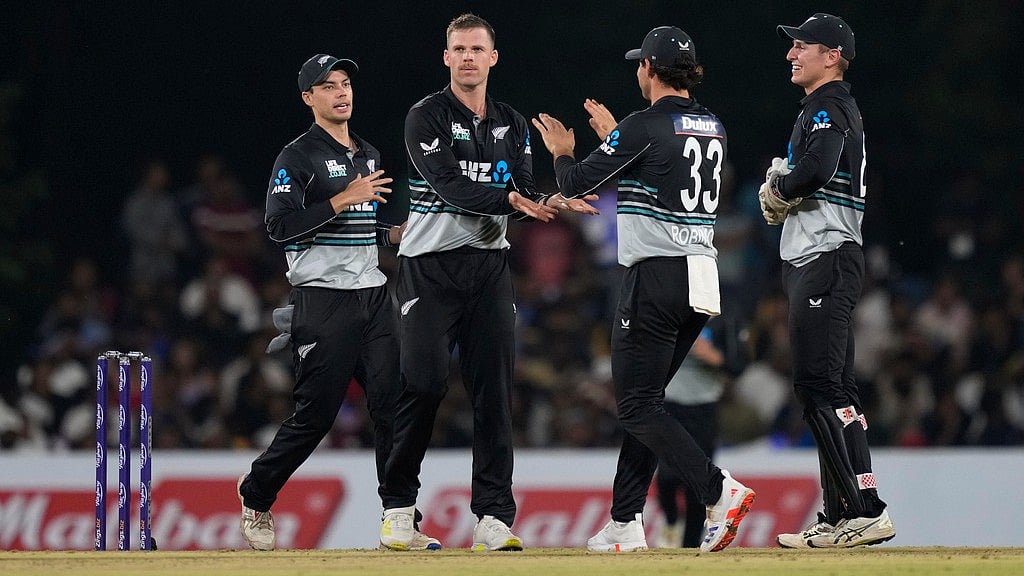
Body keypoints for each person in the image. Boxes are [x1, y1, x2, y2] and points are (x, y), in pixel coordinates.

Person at [531, 26, 755, 553]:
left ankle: (717, 491)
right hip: (702, 274)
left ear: (650, 69)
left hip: (657, 274)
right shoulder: (711, 124)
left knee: (634, 406)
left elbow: (575, 183)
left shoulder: (643, 125)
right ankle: (626, 522)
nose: (637, 71)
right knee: (646, 401)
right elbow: (660, 170)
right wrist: (617, 139)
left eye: (640, 64)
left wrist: (564, 151)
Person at [377, 13, 595, 552]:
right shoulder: (425, 117)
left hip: (488, 268)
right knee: (424, 383)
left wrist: (547, 201)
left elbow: (519, 190)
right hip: (428, 266)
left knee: (494, 394)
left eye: (478, 48)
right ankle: (399, 508)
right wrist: (513, 200)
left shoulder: (511, 122)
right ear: (446, 57)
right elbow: (450, 187)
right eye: (460, 49)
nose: (469, 57)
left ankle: (494, 517)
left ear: (493, 58)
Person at [236, 53, 440, 551]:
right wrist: (340, 201)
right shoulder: (296, 157)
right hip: (323, 301)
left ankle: (400, 518)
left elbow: (364, 228)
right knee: (317, 415)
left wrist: (396, 233)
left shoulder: (367, 153)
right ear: (309, 98)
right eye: (328, 86)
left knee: (394, 405)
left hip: (373, 296)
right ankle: (257, 492)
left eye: (346, 83)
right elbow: (279, 227)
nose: (341, 92)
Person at [759, 14, 896, 548]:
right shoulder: (829, 106)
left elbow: (816, 170)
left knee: (817, 385)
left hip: (826, 256)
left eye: (801, 46)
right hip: (824, 257)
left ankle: (864, 508)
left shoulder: (827, 104)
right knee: (832, 387)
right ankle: (845, 511)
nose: (791, 55)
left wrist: (781, 187)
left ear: (832, 55)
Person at [654, 326, 725, 548]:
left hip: (704, 409)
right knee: (666, 476)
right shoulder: (674, 315)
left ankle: (690, 545)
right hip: (670, 404)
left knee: (697, 483)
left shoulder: (726, 321)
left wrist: (716, 357)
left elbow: (740, 363)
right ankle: (672, 520)